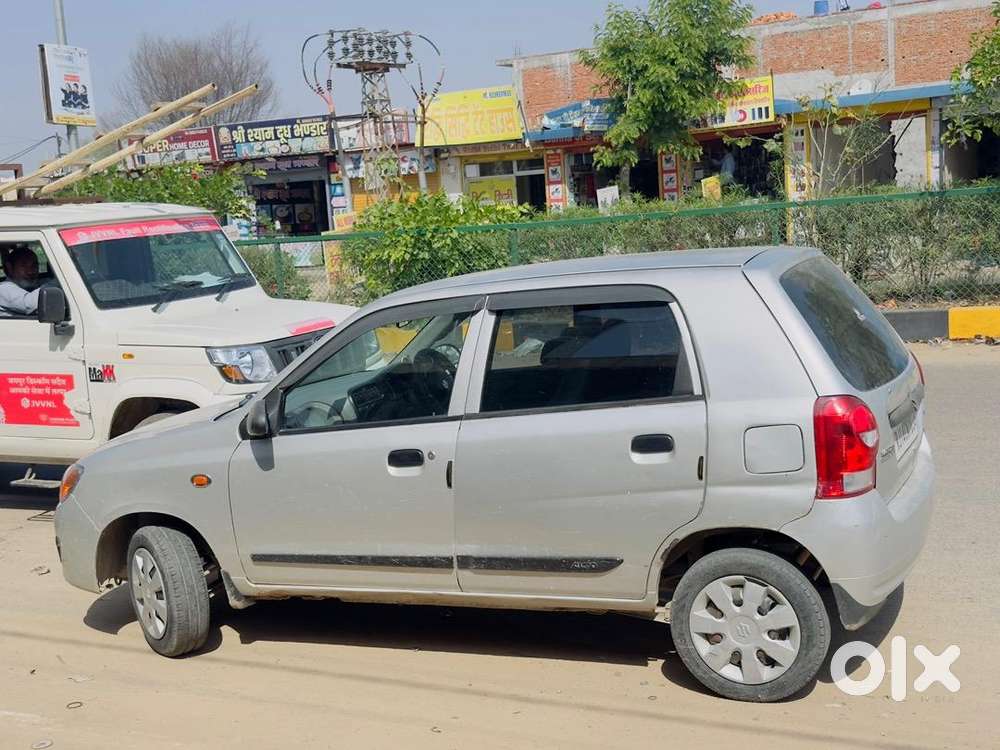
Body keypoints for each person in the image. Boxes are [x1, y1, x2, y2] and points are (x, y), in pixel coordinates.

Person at [0, 247, 43, 316]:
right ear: (10, 268)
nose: (30, 271)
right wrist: (58, 283)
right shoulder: (3, 289)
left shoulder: (30, 285)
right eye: (23, 265)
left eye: (34, 265)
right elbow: (29, 305)